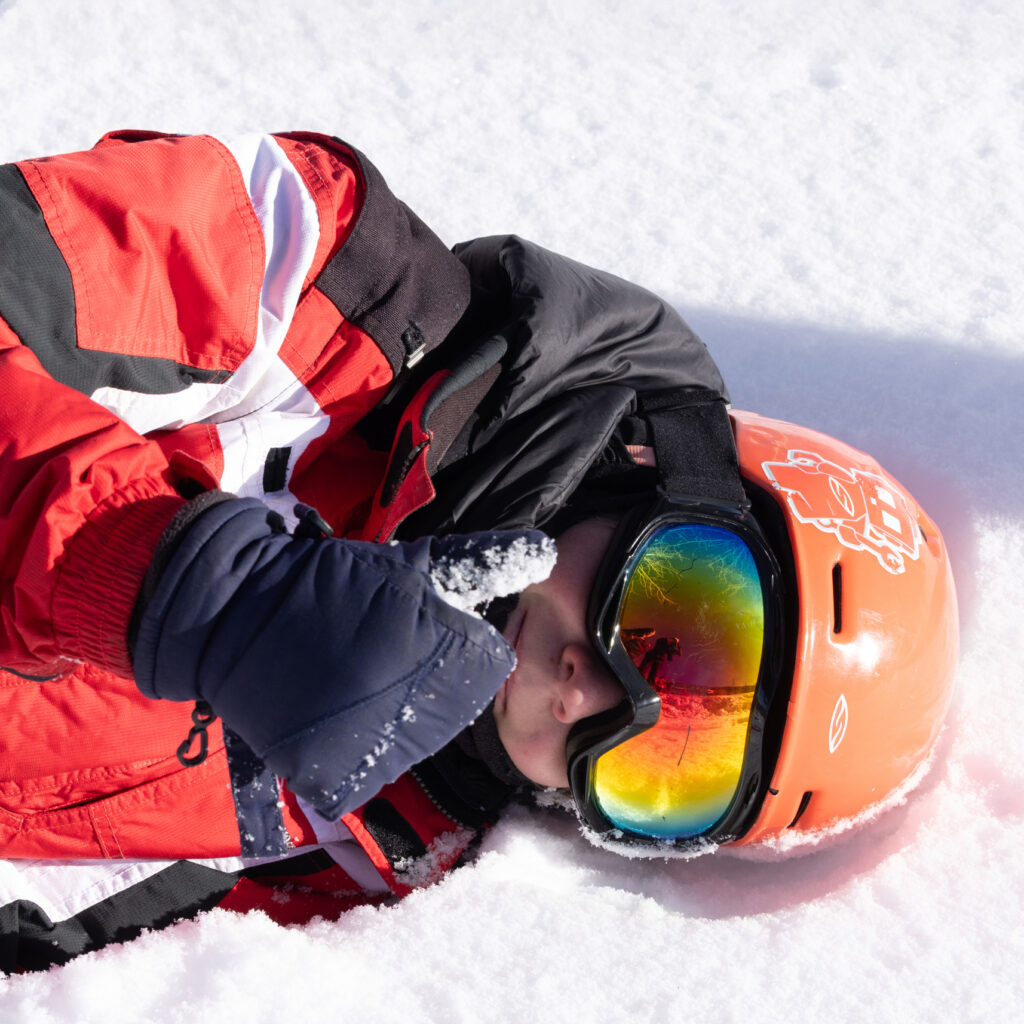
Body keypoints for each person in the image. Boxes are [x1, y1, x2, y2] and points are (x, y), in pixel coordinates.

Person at [0, 130, 958, 972]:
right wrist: (196, 588)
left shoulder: (370, 858)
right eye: (673, 619)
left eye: (668, 765)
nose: (593, 692)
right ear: (660, 466)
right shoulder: (327, 286)